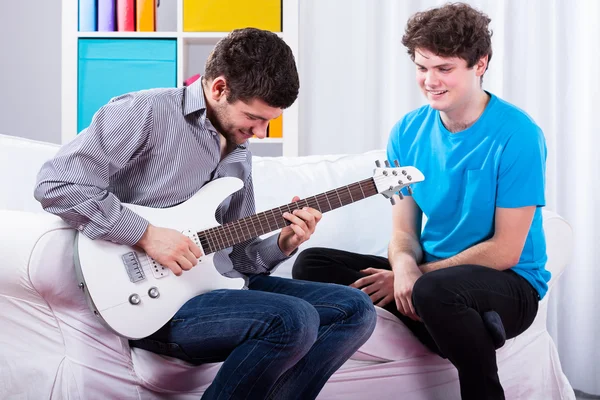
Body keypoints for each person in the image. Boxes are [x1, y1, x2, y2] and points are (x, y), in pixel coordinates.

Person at [34, 28, 376, 400]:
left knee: (354, 309)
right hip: (154, 302)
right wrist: (146, 234)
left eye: (269, 122)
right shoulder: (145, 111)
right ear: (218, 88)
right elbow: (57, 183)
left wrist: (282, 243)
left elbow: (239, 262)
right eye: (253, 117)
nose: (260, 134)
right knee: (292, 318)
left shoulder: (240, 155)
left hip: (215, 289)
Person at [292, 3, 547, 399]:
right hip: (434, 279)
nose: (430, 81)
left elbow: (507, 250)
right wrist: (405, 267)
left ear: (480, 64)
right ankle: (468, 327)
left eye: (444, 69)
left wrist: (416, 277)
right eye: (422, 67)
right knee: (313, 263)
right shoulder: (406, 132)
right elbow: (403, 230)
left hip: (508, 284)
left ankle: (464, 333)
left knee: (434, 292)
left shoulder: (518, 134)